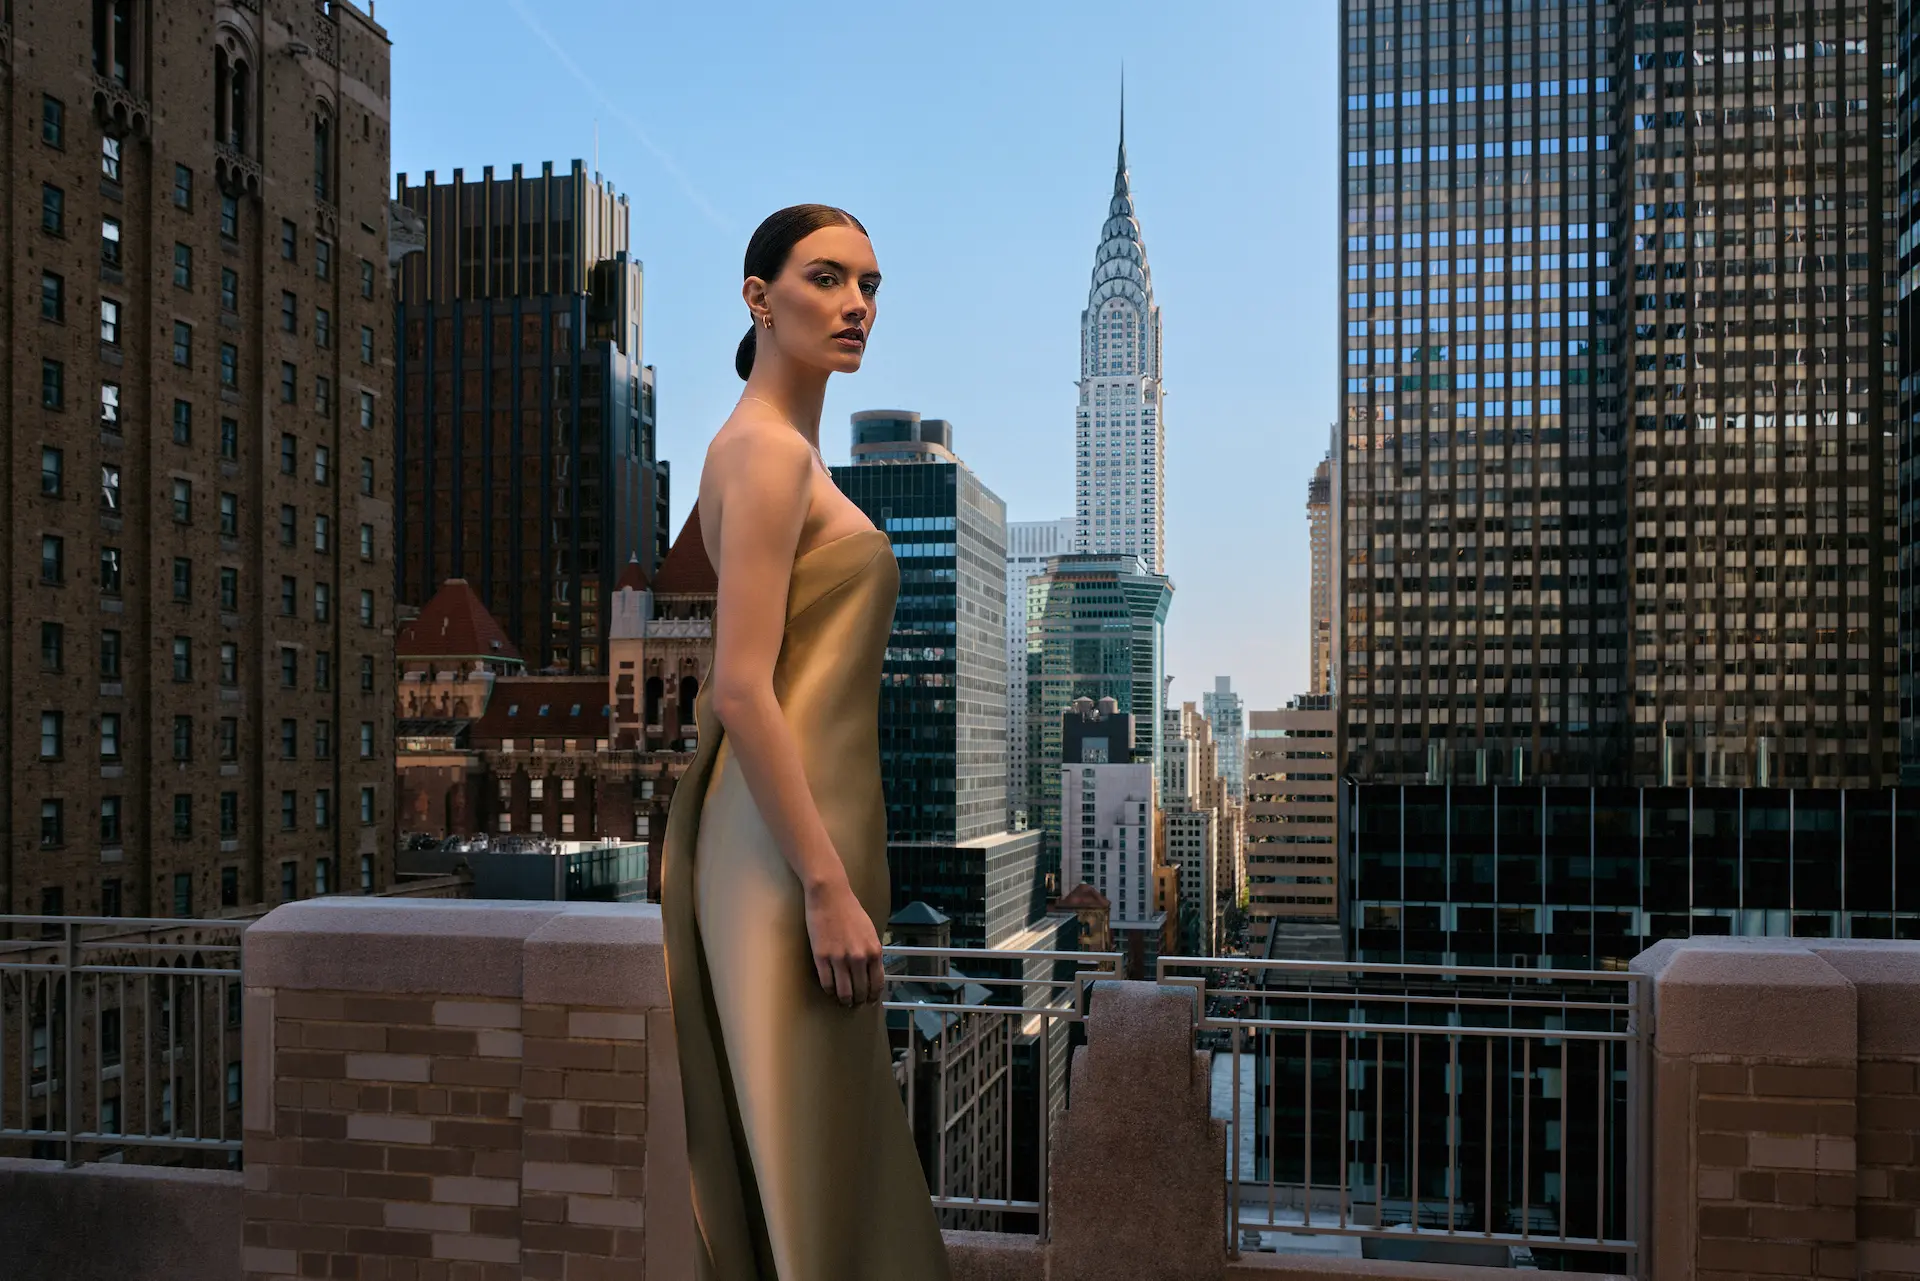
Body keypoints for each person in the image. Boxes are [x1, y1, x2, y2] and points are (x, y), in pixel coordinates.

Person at [659, 205, 954, 1280]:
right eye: (826, 278)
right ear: (758, 298)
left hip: (803, 846)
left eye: (870, 285)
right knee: (808, 1186)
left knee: (821, 1166)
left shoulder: (769, 451)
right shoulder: (766, 454)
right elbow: (740, 687)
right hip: (785, 861)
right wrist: (826, 885)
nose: (856, 305)